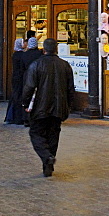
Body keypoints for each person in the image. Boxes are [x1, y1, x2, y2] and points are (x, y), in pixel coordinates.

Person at [22, 38, 75, 177]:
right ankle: (48, 166)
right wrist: (68, 106)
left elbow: (29, 87)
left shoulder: (36, 65)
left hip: (40, 107)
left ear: (43, 49)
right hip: (58, 107)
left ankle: (46, 157)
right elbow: (70, 89)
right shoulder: (65, 65)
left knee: (36, 133)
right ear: (56, 49)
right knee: (53, 135)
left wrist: (24, 103)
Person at [4, 39, 28, 125]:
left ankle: (11, 116)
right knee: (19, 97)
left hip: (15, 78)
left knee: (15, 96)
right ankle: (18, 117)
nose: (25, 44)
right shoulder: (22, 55)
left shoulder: (15, 54)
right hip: (20, 78)